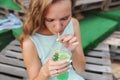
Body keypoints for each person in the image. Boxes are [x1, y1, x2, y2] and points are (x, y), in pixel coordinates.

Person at [20, 0, 86, 80]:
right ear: (40, 15)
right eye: (50, 20)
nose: (58, 27)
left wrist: (74, 51)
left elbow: (81, 69)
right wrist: (44, 72)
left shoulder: (73, 24)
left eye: (65, 18)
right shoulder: (30, 43)